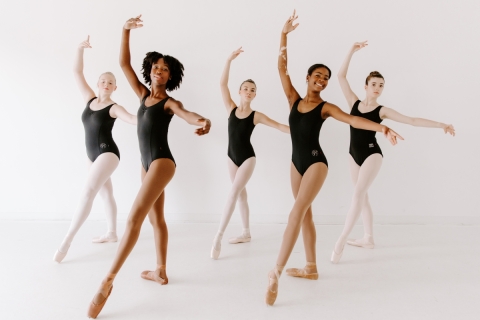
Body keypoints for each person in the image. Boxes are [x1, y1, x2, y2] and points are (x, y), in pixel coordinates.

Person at [265, 11, 403, 306]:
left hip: (316, 162)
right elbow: (281, 67)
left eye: (326, 78)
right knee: (305, 215)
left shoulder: (326, 107)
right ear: (308, 78)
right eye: (318, 76)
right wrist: (283, 35)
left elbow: (353, 121)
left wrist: (381, 126)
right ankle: (311, 268)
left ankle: (275, 271)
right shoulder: (293, 98)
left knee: (295, 213)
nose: (323, 81)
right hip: (295, 163)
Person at [87, 15, 211, 318]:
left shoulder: (169, 103)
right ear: (151, 71)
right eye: (156, 66)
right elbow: (124, 65)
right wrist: (124, 30)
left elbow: (186, 114)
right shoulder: (142, 95)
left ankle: (107, 281)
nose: (160, 70)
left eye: (165, 68)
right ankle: (161, 271)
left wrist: (203, 121)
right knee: (157, 220)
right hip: (146, 165)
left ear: (170, 77)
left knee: (133, 221)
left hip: (162, 162)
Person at [332, 41, 455, 262]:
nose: (377, 88)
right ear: (366, 86)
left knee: (358, 194)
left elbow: (412, 120)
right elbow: (341, 76)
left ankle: (341, 239)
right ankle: (368, 238)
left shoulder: (382, 111)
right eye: (374, 84)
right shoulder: (353, 102)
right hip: (353, 155)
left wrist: (441, 124)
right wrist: (351, 50)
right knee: (363, 196)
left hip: (372, 155)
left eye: (381, 85)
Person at [53, 36, 137, 263]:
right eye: (103, 81)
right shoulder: (89, 99)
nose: (106, 85)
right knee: (105, 193)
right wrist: (80, 49)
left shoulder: (114, 107)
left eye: (111, 82)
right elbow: (77, 73)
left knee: (88, 192)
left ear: (115, 87)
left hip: (108, 153)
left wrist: (150, 116)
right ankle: (111, 232)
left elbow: (130, 118)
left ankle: (67, 240)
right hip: (91, 156)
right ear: (98, 83)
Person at [211, 47, 290, 259]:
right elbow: (222, 84)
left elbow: (278, 125)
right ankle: (246, 232)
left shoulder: (256, 115)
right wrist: (228, 59)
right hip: (231, 157)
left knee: (234, 193)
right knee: (241, 195)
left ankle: (218, 236)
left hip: (247, 158)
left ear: (255, 94)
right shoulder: (230, 108)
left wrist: (298, 131)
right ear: (240, 91)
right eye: (245, 88)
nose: (248, 91)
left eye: (252, 89)